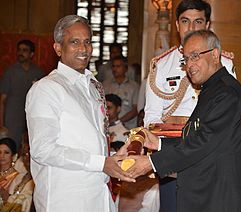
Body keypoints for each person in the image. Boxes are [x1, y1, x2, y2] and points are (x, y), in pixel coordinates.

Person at [128, 29, 241, 212]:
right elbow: (201, 137)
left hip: (225, 197)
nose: (189, 65)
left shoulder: (226, 94)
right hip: (214, 193)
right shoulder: (213, 89)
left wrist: (151, 163)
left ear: (215, 55)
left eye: (195, 56)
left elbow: (202, 143)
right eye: (186, 59)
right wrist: (160, 144)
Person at [25, 15, 134, 212]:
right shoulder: (47, 89)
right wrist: (101, 163)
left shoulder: (92, 86)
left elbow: (87, 141)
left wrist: (114, 157)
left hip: (98, 196)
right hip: (66, 200)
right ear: (58, 48)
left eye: (87, 42)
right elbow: (43, 149)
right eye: (74, 42)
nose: (83, 49)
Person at [144, 1, 236, 211]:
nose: (191, 28)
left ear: (208, 24)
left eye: (198, 21)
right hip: (174, 157)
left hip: (212, 159)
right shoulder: (162, 65)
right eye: (185, 21)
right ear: (177, 25)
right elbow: (151, 118)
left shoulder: (224, 64)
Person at [0, 39, 44, 148]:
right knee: (11, 149)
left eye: (24, 50)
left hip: (31, 120)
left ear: (31, 54)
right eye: (19, 50)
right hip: (12, 120)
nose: (21, 53)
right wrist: (1, 125)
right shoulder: (10, 72)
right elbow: (2, 100)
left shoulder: (38, 73)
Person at [103, 56, 139, 129]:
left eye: (118, 66)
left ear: (126, 69)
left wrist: (118, 122)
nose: (115, 69)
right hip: (108, 128)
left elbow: (136, 109)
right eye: (113, 66)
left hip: (128, 127)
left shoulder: (134, 86)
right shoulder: (105, 85)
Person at [0, 137, 34, 212]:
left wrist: (6, 197)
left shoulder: (17, 177)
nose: (2, 156)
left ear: (13, 156)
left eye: (6, 152)